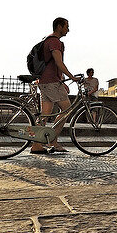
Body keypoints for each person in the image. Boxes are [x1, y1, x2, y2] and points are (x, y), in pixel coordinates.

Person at [31, 17, 81, 155]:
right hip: (51, 82)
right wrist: (72, 78)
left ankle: (37, 145)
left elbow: (54, 65)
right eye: (66, 26)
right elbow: (58, 62)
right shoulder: (54, 41)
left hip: (45, 81)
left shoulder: (47, 39)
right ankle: (53, 141)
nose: (68, 30)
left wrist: (61, 80)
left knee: (45, 114)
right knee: (67, 109)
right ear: (59, 26)